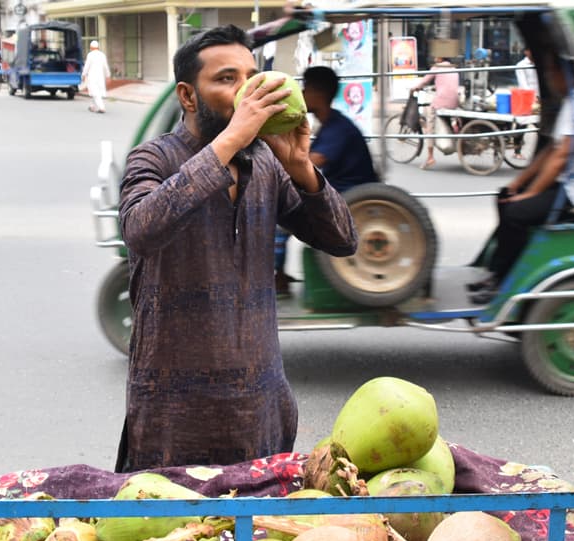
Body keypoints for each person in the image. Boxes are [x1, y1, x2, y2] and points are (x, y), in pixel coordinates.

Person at [114, 25, 357, 471]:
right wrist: (230, 140)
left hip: (259, 408)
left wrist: (301, 166)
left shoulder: (265, 163)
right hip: (173, 417)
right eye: (227, 79)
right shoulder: (153, 159)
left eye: (250, 76)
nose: (246, 90)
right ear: (188, 96)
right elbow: (140, 229)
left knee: (259, 534)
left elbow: (343, 240)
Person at [468, 58, 574, 304]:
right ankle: (498, 272)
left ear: (563, 73)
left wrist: (530, 194)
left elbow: (561, 156)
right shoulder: (570, 101)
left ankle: (504, 282)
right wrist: (516, 185)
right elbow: (548, 152)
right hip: (563, 184)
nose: (550, 80)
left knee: (515, 213)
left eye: (551, 72)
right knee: (505, 197)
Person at [269, 66, 379, 296]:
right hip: (341, 189)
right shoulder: (330, 124)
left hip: (351, 194)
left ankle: (276, 277)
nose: (301, 93)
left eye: (305, 89)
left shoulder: (339, 129)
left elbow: (311, 161)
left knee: (280, 222)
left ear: (318, 93)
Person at [411, 56, 459, 170]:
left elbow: (424, 81)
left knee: (430, 124)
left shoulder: (437, 67)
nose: (434, 58)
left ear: (441, 57)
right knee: (448, 117)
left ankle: (430, 157)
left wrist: (414, 88)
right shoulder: (454, 68)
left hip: (442, 100)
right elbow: (446, 84)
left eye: (436, 56)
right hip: (454, 101)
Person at [82, 40, 110, 114]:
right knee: (96, 92)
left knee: (95, 92)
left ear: (91, 47)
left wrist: (84, 74)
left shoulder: (90, 55)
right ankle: (92, 106)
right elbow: (105, 66)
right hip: (100, 77)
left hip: (92, 76)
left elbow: (86, 66)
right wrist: (108, 75)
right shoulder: (102, 55)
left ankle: (102, 107)